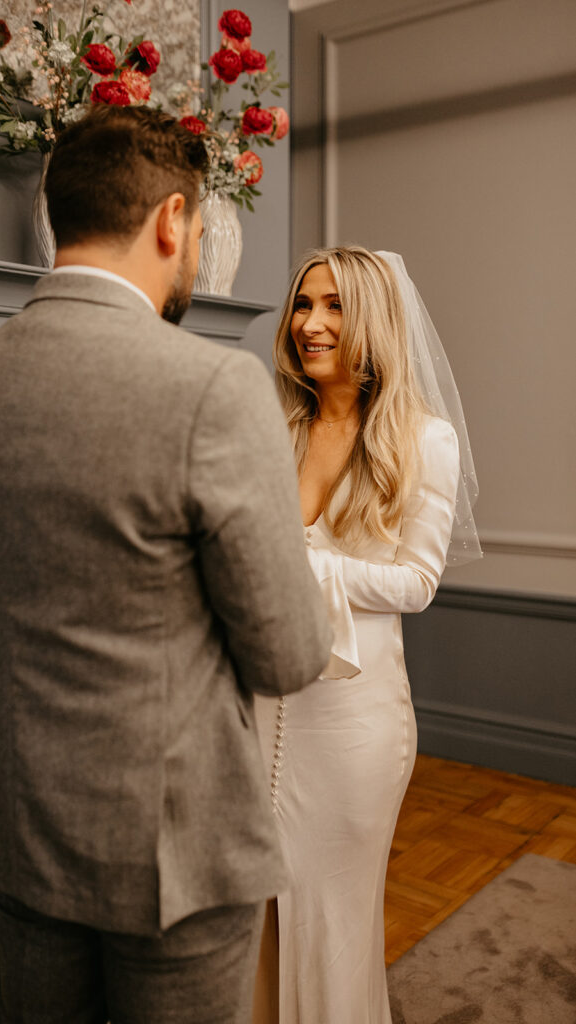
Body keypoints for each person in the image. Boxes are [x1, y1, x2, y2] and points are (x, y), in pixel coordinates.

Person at [0, 105, 333, 1024]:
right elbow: (290, 654)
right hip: (170, 854)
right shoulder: (212, 387)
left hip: (13, 830)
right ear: (172, 219)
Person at [252, 245, 482, 1023]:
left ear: (374, 320)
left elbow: (415, 585)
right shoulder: (273, 429)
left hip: (350, 724)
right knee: (249, 910)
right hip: (255, 705)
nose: (310, 323)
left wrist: (295, 563)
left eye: (334, 305)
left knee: (331, 918)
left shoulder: (423, 441)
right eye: (302, 303)